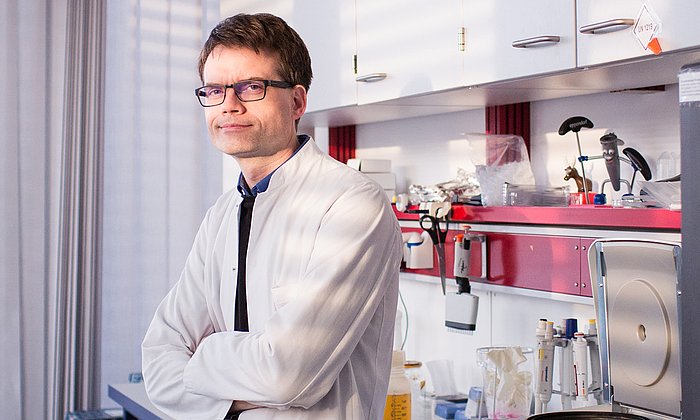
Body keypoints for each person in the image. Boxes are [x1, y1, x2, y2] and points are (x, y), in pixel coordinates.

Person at [141, 12, 403, 420]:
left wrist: (204, 355)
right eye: (214, 89)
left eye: (251, 87)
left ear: (297, 101)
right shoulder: (221, 216)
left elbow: (286, 376)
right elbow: (158, 364)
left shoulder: (351, 204)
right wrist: (253, 373)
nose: (229, 105)